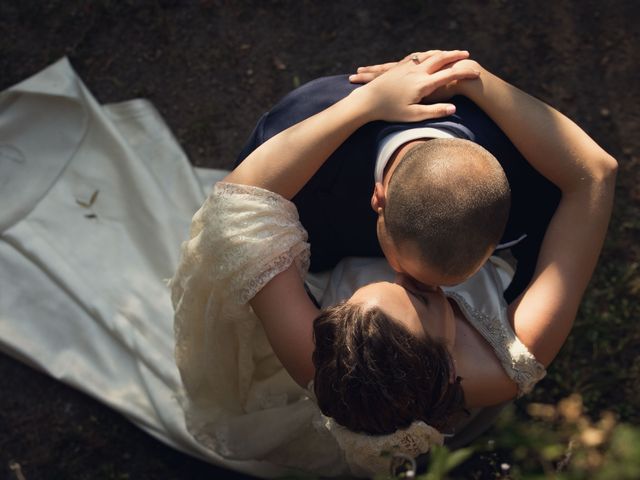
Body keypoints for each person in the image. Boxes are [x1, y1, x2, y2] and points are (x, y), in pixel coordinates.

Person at [171, 51, 616, 477]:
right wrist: (466, 73)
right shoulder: (501, 369)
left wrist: (362, 105)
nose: (412, 278)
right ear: (447, 362)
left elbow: (233, 210)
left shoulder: (324, 358)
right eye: (420, 298)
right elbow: (595, 173)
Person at [235, 51, 560, 303]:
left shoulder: (532, 182)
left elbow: (541, 263)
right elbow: (238, 209)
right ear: (379, 198)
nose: (415, 292)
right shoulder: (293, 141)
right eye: (408, 272)